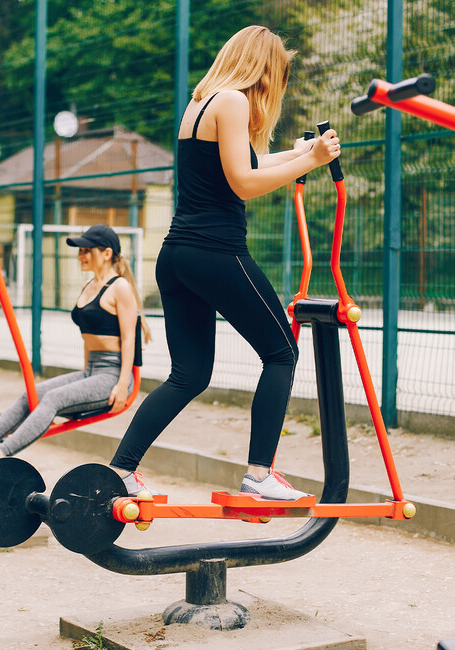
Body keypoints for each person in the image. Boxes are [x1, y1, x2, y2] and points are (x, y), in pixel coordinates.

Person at [108, 25, 341, 500]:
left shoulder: (201, 103)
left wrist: (294, 154)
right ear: (263, 69)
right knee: (281, 353)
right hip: (216, 251)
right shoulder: (234, 101)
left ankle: (120, 471)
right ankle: (259, 475)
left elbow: (243, 165)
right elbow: (243, 183)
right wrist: (311, 161)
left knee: (188, 375)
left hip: (177, 256)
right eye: (278, 76)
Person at [0, 224, 149, 475]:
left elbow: (129, 339)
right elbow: (87, 338)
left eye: (86, 250)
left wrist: (123, 385)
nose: (81, 255)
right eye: (80, 250)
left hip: (112, 375)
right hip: (91, 372)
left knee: (53, 399)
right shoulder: (90, 285)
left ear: (107, 253)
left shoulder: (120, 288)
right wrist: (83, 378)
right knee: (31, 394)